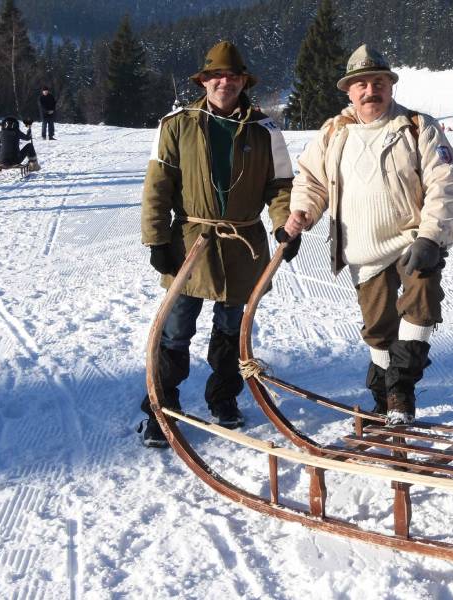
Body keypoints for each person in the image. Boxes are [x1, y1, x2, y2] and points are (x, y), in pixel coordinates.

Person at [285, 44, 453, 426]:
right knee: (378, 329)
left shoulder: (418, 127)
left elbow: (445, 182)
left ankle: (401, 388)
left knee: (421, 295)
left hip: (412, 240)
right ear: (349, 91)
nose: (371, 91)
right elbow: (312, 180)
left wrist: (431, 236)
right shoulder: (335, 132)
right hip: (362, 249)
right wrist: (301, 212)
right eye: (361, 84)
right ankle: (384, 397)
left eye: (379, 82)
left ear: (391, 87)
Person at [139, 41, 295, 447]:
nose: (224, 82)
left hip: (243, 245)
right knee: (174, 331)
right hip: (191, 243)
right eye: (216, 75)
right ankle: (161, 407)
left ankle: (223, 399)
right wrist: (157, 239)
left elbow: (280, 187)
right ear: (204, 81)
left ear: (243, 81)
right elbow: (158, 186)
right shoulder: (177, 124)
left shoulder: (265, 131)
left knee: (231, 330)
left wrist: (284, 227)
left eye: (232, 75)